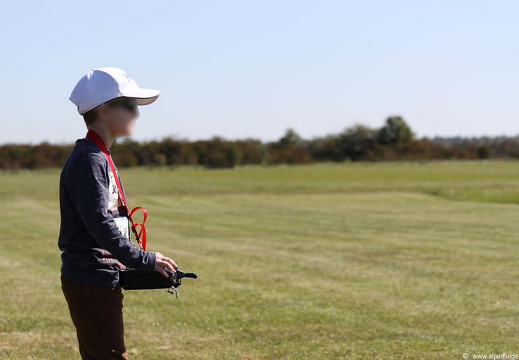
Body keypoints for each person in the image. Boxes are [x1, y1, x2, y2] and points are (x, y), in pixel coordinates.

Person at [58, 67, 177, 359]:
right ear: (104, 110)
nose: (136, 113)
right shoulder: (89, 160)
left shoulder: (100, 155)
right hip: (90, 279)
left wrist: (132, 263)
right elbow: (100, 223)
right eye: (129, 105)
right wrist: (142, 259)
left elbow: (109, 220)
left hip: (101, 278)